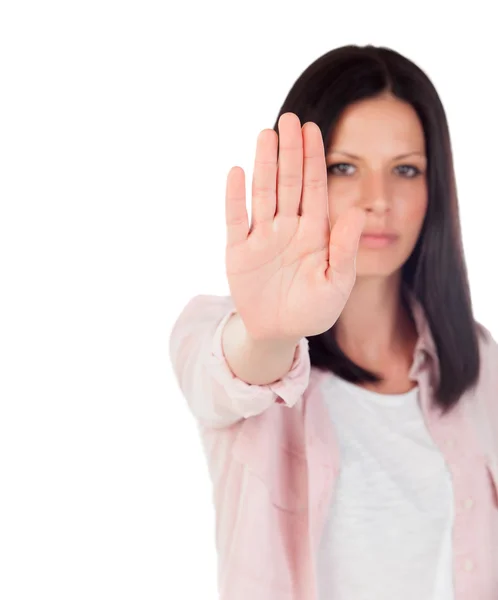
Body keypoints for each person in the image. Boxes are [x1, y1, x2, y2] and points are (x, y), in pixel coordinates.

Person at [169, 44, 498, 600]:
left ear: (433, 186)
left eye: (406, 170)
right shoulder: (225, 334)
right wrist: (271, 331)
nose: (378, 200)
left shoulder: (479, 360)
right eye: (344, 167)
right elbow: (235, 372)